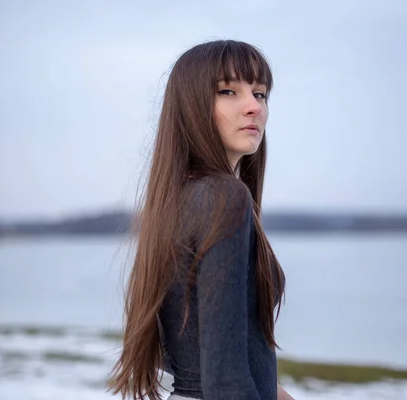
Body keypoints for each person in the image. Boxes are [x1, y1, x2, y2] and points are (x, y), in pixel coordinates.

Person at [108, 40, 294, 400]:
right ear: (191, 105)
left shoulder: (177, 199)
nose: (253, 106)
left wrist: (270, 390)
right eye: (228, 91)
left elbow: (187, 346)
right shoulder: (223, 197)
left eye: (261, 94)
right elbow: (223, 381)